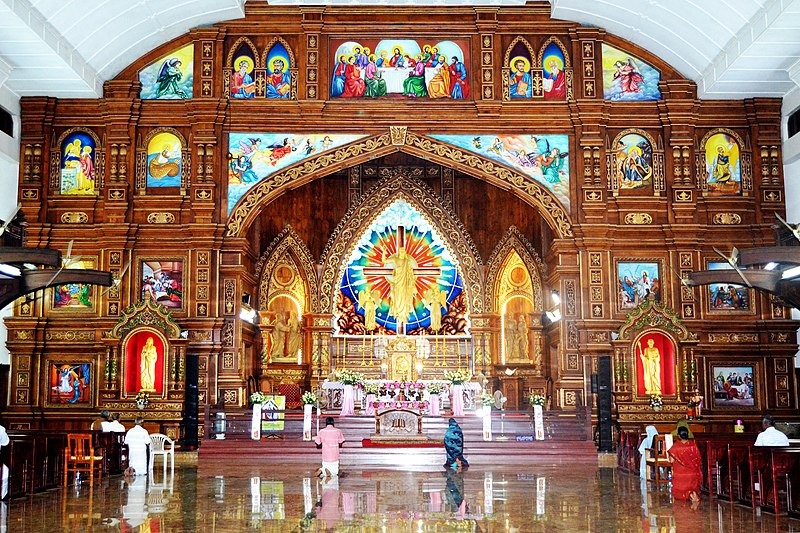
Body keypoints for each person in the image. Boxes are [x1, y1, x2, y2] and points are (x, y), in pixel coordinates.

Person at [382, 245, 417, 331]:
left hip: (405, 284)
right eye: (400, 251)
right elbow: (384, 261)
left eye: (403, 251)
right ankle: (398, 313)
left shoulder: (407, 262)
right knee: (397, 298)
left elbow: (410, 274)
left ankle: (403, 314)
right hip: (397, 283)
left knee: (404, 298)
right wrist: (383, 251)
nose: (401, 252)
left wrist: (412, 285)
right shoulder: (395, 259)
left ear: (404, 252)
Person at [668, 426, 702, 505]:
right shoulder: (693, 445)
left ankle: (689, 494)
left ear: (679, 435)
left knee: (679, 493)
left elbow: (671, 460)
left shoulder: (676, 446)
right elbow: (698, 459)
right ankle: (693, 493)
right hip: (692, 474)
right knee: (692, 486)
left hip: (681, 475)